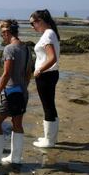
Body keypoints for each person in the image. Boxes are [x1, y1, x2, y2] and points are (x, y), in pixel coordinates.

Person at [0, 20, 32, 165]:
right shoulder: (26, 48)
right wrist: (23, 88)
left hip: (10, 92)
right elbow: (29, 72)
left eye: (1, 33)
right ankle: (15, 158)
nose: (1, 36)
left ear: (6, 32)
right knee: (17, 123)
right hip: (22, 92)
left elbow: (6, 73)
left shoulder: (9, 49)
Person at [30, 9, 61, 148]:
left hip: (46, 75)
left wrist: (39, 70)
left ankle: (49, 141)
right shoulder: (50, 33)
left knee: (47, 106)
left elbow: (52, 58)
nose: (32, 27)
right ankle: (51, 138)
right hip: (51, 74)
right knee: (50, 106)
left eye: (33, 23)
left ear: (40, 21)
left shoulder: (48, 35)